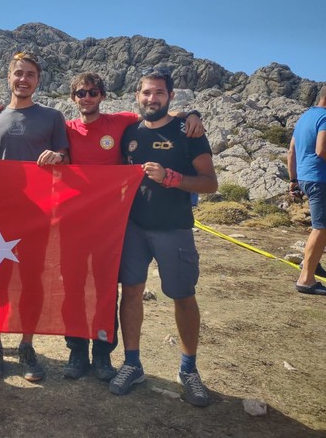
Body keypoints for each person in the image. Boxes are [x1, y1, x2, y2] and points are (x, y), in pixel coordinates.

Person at [63, 72, 204, 381]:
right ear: (74, 98)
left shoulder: (121, 123)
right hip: (95, 223)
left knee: (113, 289)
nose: (87, 97)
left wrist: (192, 114)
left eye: (93, 92)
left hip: (123, 223)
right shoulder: (66, 128)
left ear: (102, 95)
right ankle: (86, 353)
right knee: (84, 288)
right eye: (81, 93)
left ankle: (106, 355)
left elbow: (160, 115)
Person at [111, 67, 218, 407]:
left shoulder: (188, 131)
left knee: (183, 296)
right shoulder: (130, 132)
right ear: (137, 96)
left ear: (170, 96)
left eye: (158, 93)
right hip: (133, 229)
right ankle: (132, 363)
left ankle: (188, 369)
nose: (151, 98)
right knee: (130, 293)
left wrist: (171, 178)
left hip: (175, 228)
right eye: (145, 93)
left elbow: (210, 183)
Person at [0, 51, 69, 381]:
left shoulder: (52, 117)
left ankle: (27, 345)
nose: (24, 79)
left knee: (32, 282)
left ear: (37, 80)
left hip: (37, 216)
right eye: (19, 73)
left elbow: (65, 155)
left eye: (30, 74)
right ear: (9, 77)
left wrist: (57, 155)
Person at [287, 84, 326, 296]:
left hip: (306, 177)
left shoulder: (305, 117)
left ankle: (312, 264)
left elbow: (291, 151)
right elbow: (322, 149)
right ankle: (306, 279)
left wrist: (293, 180)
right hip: (321, 179)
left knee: (322, 226)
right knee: (322, 227)